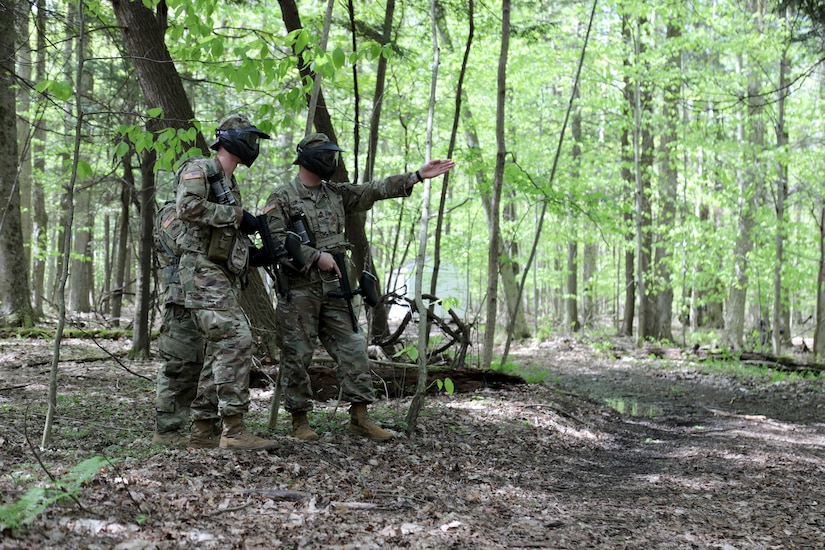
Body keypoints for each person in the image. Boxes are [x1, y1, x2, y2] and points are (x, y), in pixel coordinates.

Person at [262, 132, 455, 441]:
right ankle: (300, 421)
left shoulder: (336, 193)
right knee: (297, 355)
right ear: (309, 159)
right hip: (299, 289)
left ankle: (359, 417)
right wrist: (315, 256)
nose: (330, 162)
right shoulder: (282, 197)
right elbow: (274, 241)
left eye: (331, 156)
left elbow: (373, 190)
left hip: (336, 288)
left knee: (354, 347)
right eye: (325, 157)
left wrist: (417, 176)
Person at [175, 113, 277, 451]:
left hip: (220, 273)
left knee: (221, 347)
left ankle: (203, 431)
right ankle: (233, 430)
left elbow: (224, 236)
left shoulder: (229, 184)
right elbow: (187, 207)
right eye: (249, 139)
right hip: (201, 272)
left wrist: (256, 253)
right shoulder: (200, 168)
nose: (253, 147)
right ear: (229, 139)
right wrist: (236, 216)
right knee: (236, 337)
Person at [151, 200, 216, 447]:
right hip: (182, 301)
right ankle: (167, 430)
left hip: (212, 301)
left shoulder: (212, 212)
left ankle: (207, 426)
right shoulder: (171, 211)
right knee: (180, 366)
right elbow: (182, 243)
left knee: (212, 365)